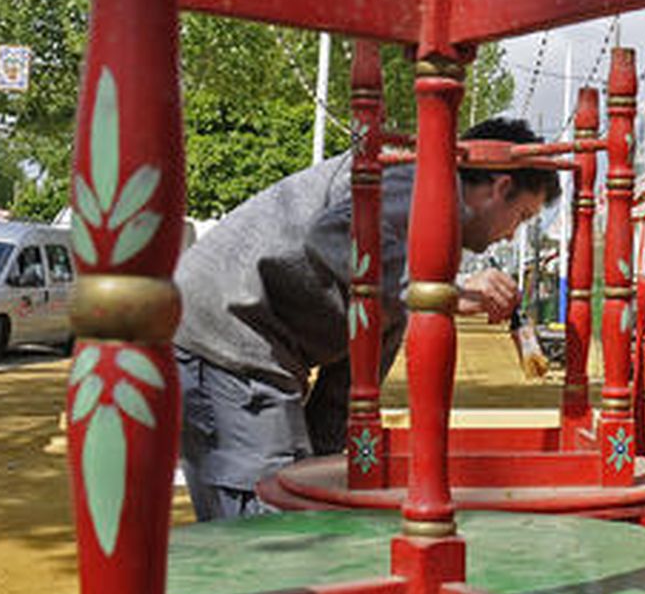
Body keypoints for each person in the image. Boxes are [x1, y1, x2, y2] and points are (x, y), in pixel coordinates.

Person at [174, 116, 561, 521]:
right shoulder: (421, 181)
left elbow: (361, 355)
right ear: (499, 189)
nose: (511, 236)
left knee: (297, 501)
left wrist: (326, 465)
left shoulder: (420, 247)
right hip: (226, 334)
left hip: (241, 337)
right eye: (521, 217)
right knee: (269, 520)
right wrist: (444, 292)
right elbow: (336, 234)